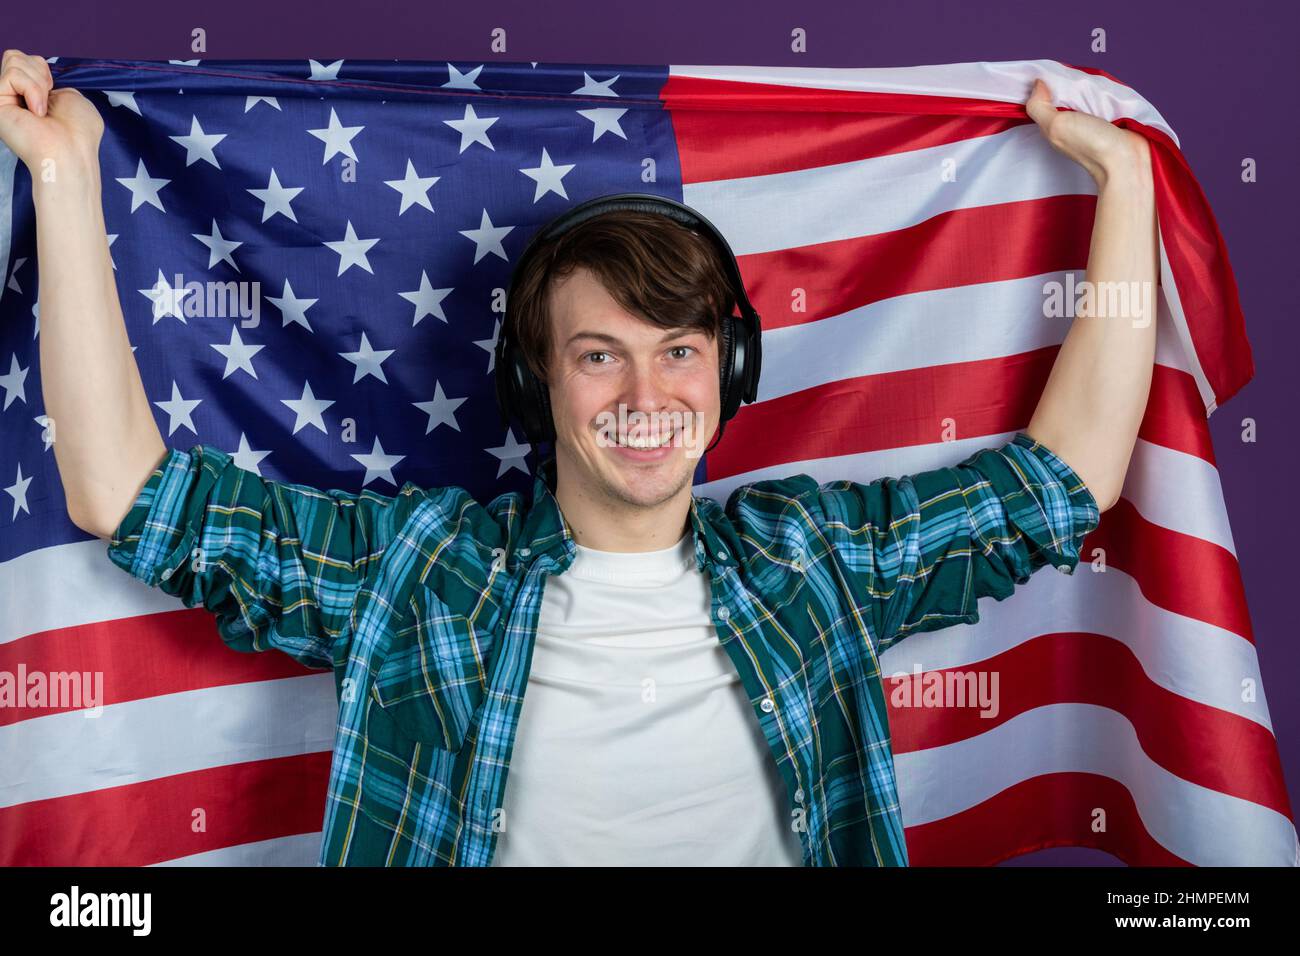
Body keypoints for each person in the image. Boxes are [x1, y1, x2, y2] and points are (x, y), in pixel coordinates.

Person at [0, 49, 1159, 866]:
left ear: (728, 374)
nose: (647, 396)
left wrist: (1127, 184)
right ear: (536, 382)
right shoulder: (418, 570)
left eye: (679, 351)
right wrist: (62, 174)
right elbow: (122, 493)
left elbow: (1065, 480)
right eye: (599, 355)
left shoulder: (814, 558)